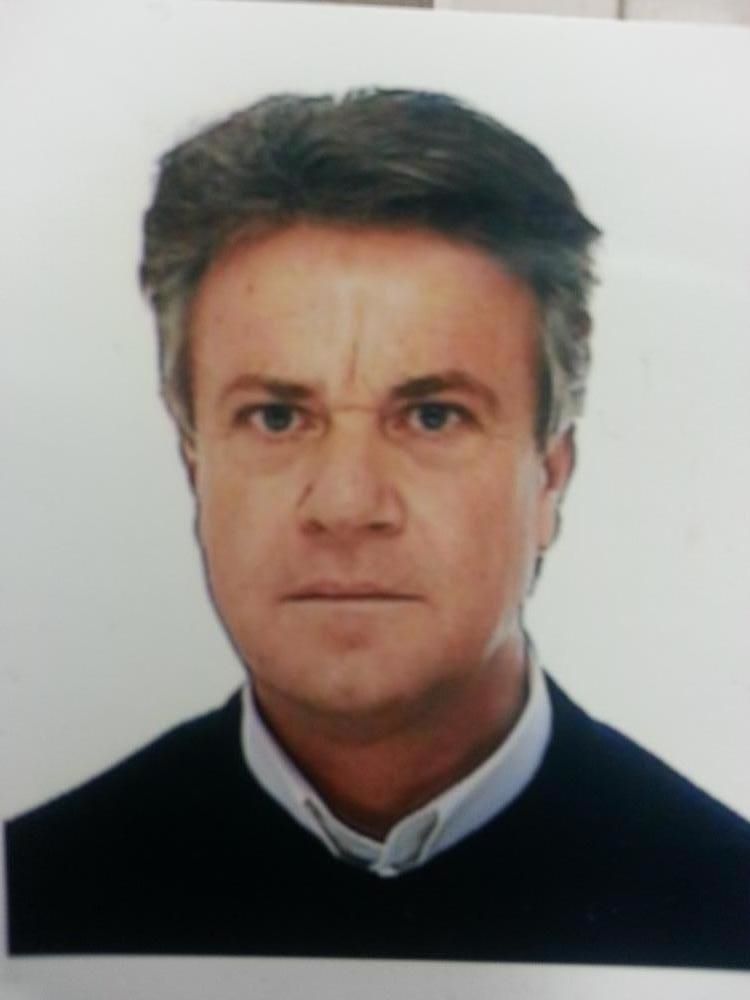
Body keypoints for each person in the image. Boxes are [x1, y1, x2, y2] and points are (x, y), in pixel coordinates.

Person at [5, 89, 749, 966]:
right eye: (277, 418)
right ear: (195, 465)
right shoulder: (34, 893)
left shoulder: (726, 904)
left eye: (432, 416)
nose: (347, 505)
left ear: (549, 478)